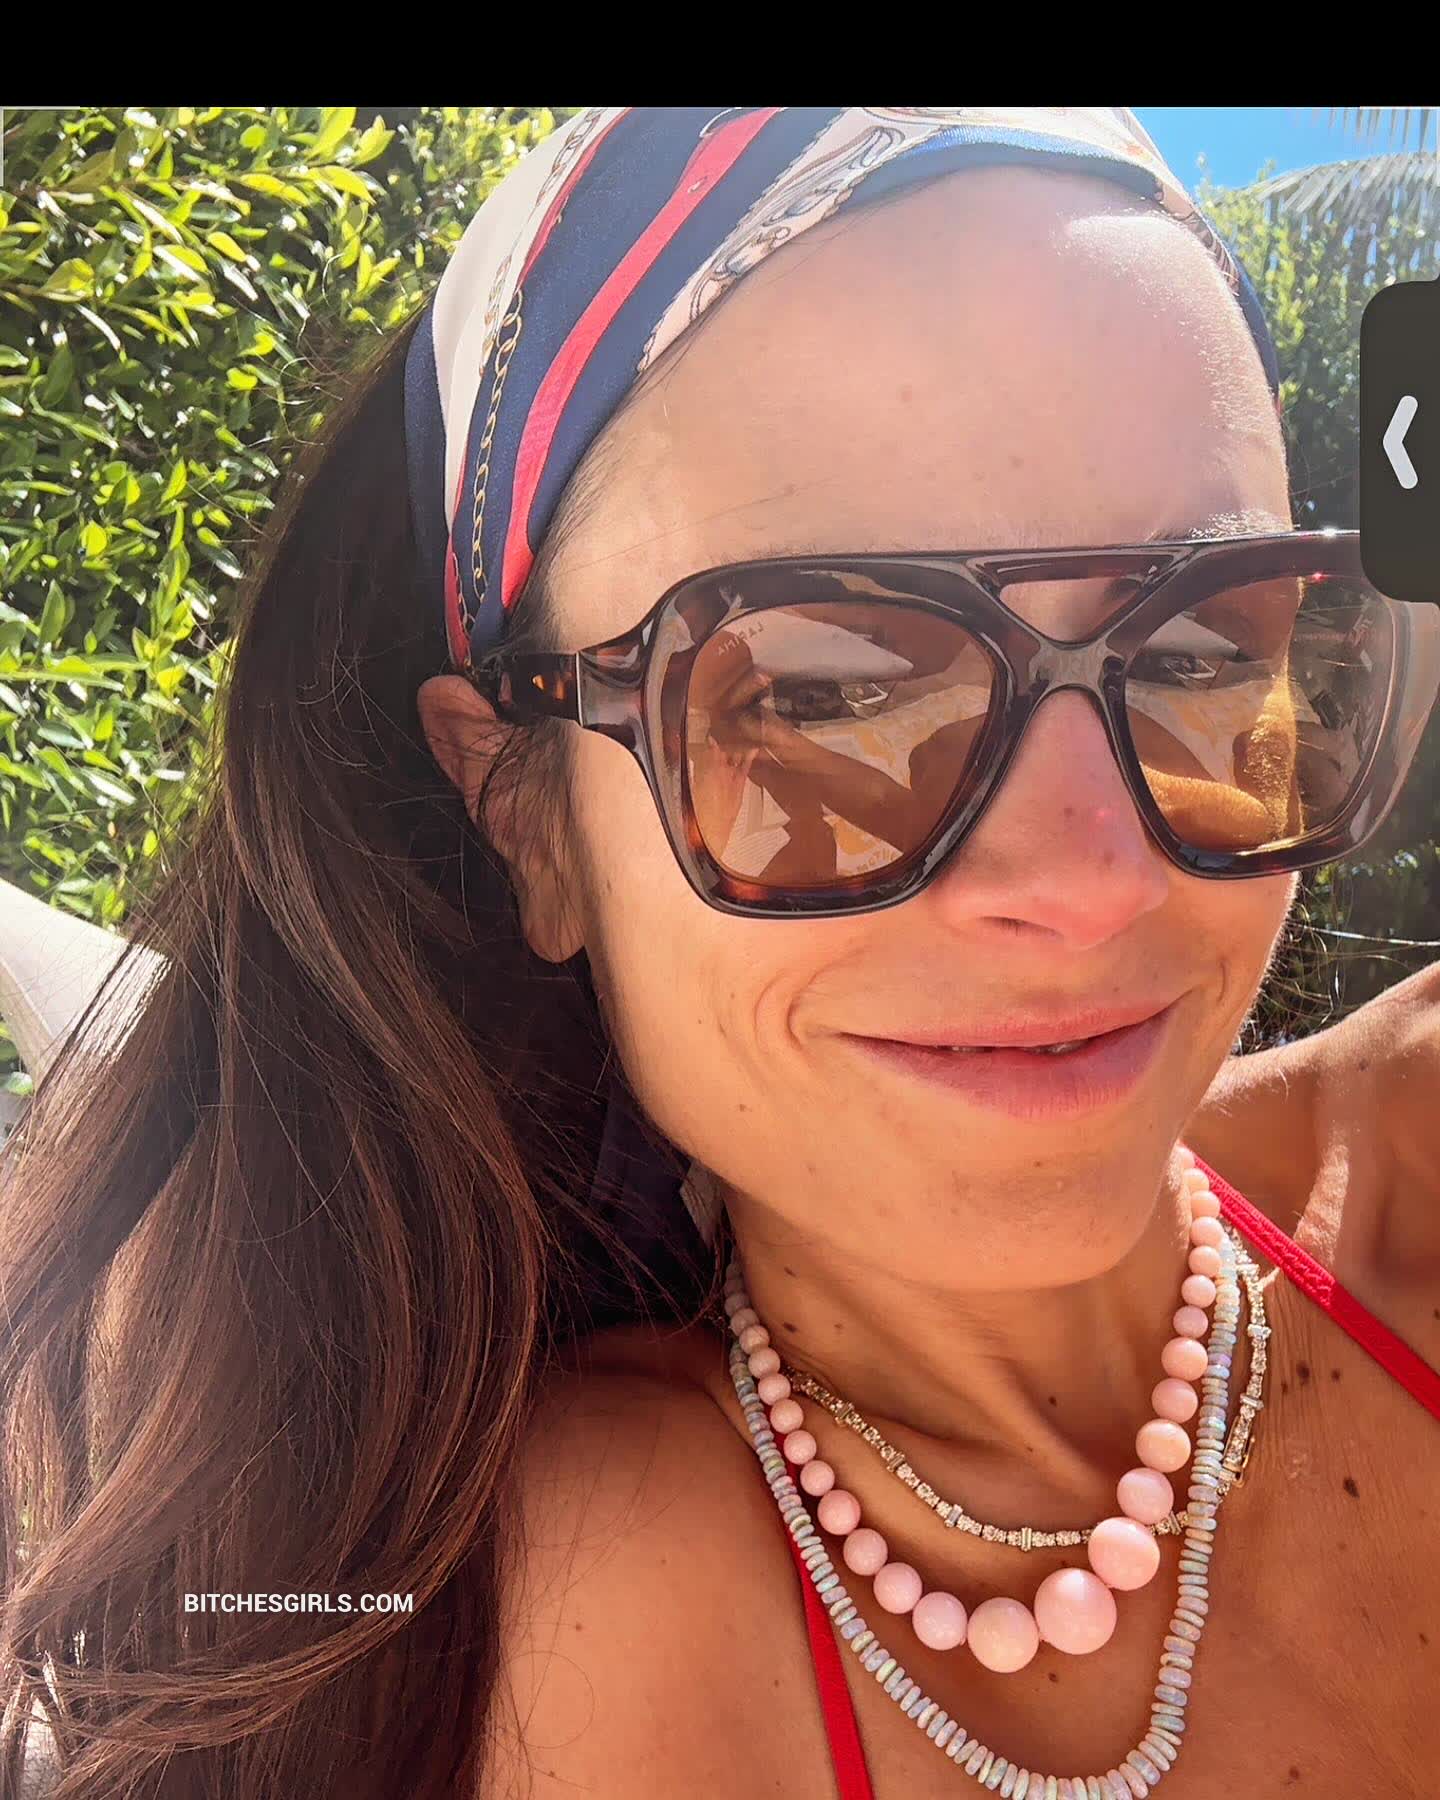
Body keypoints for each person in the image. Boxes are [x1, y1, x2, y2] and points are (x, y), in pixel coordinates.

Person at [3, 107, 1438, 1800]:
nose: (1089, 880)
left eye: (1201, 647)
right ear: (528, 814)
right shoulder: (564, 1624)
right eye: (822, 693)